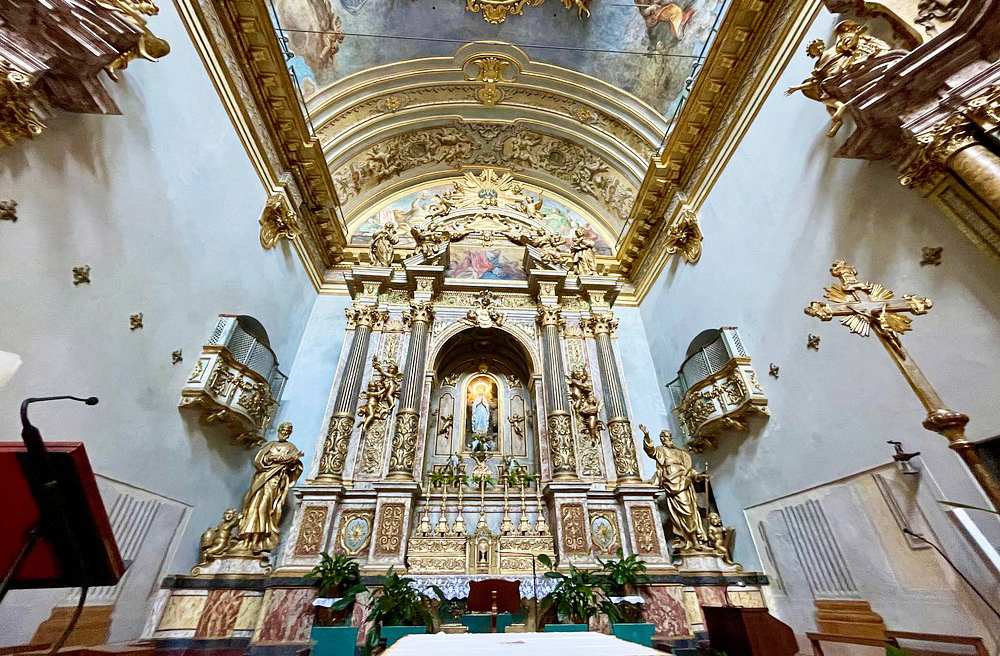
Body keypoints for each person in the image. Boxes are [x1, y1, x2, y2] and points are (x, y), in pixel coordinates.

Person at [235, 422, 304, 554]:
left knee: (265, 507)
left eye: (287, 430)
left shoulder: (291, 448)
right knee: (253, 505)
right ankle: (247, 539)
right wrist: (274, 458)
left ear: (289, 433)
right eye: (282, 429)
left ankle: (259, 539)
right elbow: (259, 460)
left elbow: (294, 467)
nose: (284, 432)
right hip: (262, 477)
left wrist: (292, 461)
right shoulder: (270, 445)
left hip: (275, 481)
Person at [640, 423, 708, 551]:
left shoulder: (681, 453)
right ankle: (687, 539)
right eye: (662, 438)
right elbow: (650, 451)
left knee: (689, 511)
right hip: (671, 483)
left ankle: (694, 539)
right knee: (679, 514)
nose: (663, 439)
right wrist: (647, 435)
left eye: (665, 437)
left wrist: (699, 476)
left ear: (670, 437)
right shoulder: (660, 450)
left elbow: (690, 470)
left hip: (683, 481)